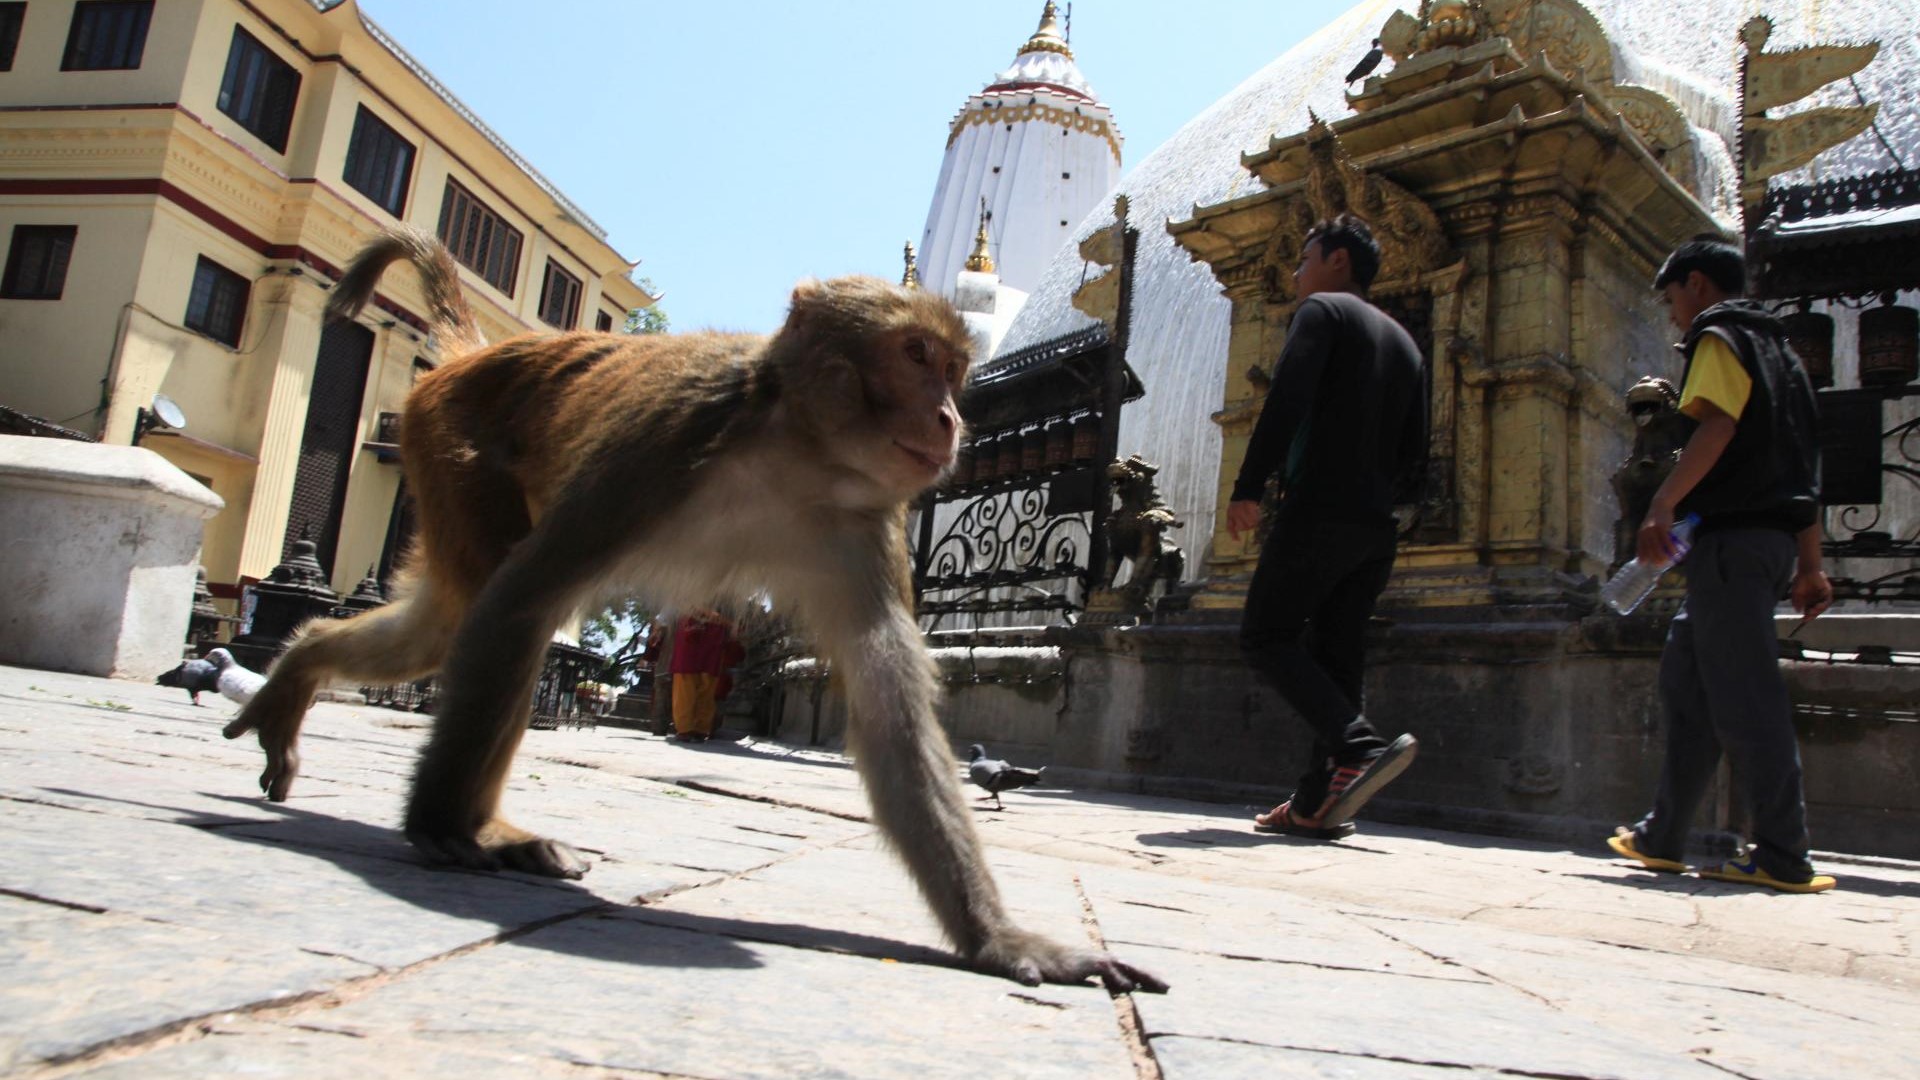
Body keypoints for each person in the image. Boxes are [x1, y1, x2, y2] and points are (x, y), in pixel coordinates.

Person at [1607, 237, 1836, 893]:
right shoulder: (1785, 360)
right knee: (1690, 681)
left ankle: (1784, 853)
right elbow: (1802, 475)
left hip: (1732, 546)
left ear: (1698, 285)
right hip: (1757, 546)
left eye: (1673, 298)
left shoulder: (1720, 336)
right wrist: (1810, 565)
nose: (1674, 315)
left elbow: (1716, 427)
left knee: (1746, 698)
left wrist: (1663, 503)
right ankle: (1663, 835)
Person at [1226, 213, 1426, 838]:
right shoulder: (1407, 343)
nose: (1296, 270)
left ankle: (1356, 744)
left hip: (1318, 508)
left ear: (1337, 260)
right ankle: (1316, 802)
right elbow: (1416, 452)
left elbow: (1286, 396)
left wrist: (1248, 486)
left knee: (1267, 633)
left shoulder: (1323, 313)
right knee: (1337, 657)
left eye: (1304, 256)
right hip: (1376, 525)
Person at [669, 610, 736, 742]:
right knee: (685, 688)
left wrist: (720, 619)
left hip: (713, 642)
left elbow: (733, 624)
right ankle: (685, 729)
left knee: (708, 687)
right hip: (690, 641)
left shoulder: (727, 600)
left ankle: (701, 729)